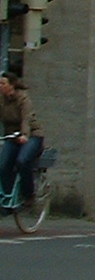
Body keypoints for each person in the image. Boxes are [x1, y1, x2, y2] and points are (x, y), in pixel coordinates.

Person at [0, 72, 42, 205]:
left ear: (11, 85)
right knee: (4, 165)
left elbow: (26, 118)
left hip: (32, 135)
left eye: (3, 83)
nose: (0, 86)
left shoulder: (23, 99)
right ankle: (8, 198)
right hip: (12, 136)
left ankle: (29, 194)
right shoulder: (1, 100)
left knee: (22, 161)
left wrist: (24, 134)